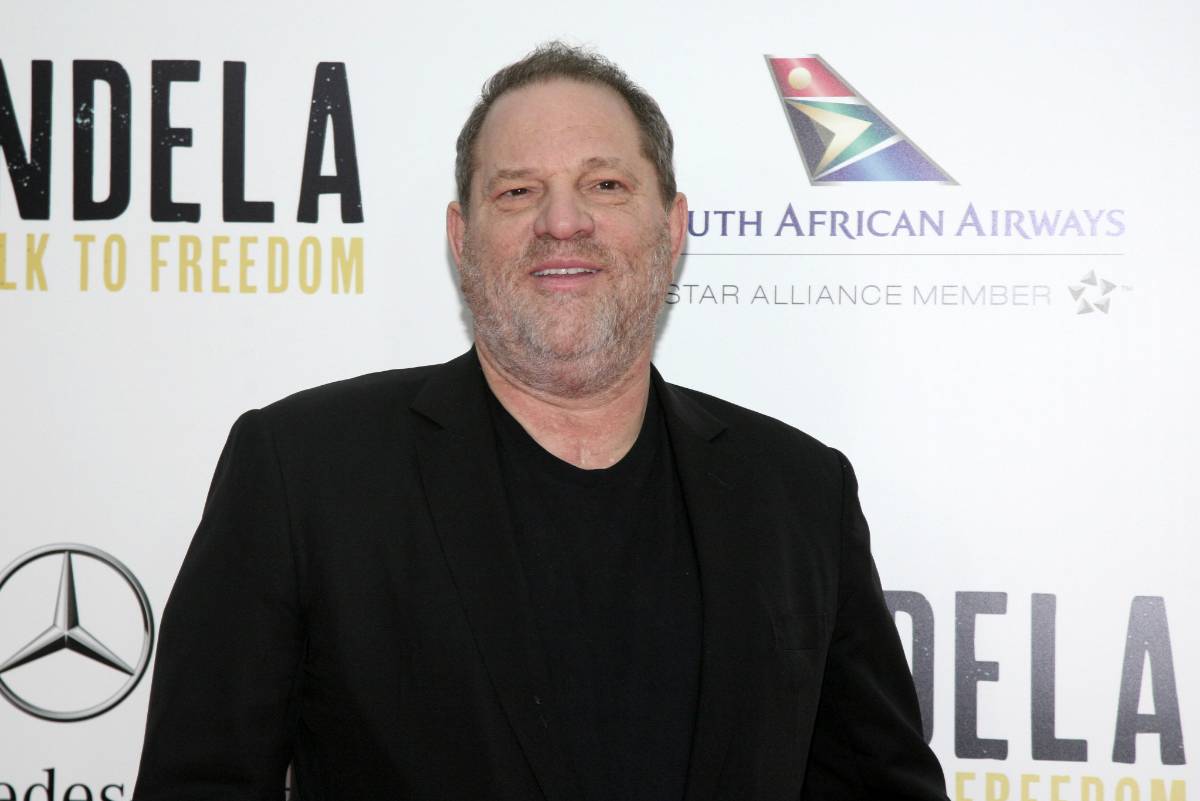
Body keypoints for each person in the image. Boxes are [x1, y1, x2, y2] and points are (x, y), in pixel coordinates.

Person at [133, 42, 949, 801]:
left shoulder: (798, 494)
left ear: (672, 229)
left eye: (605, 185)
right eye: (518, 191)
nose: (563, 222)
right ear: (462, 238)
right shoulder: (303, 474)